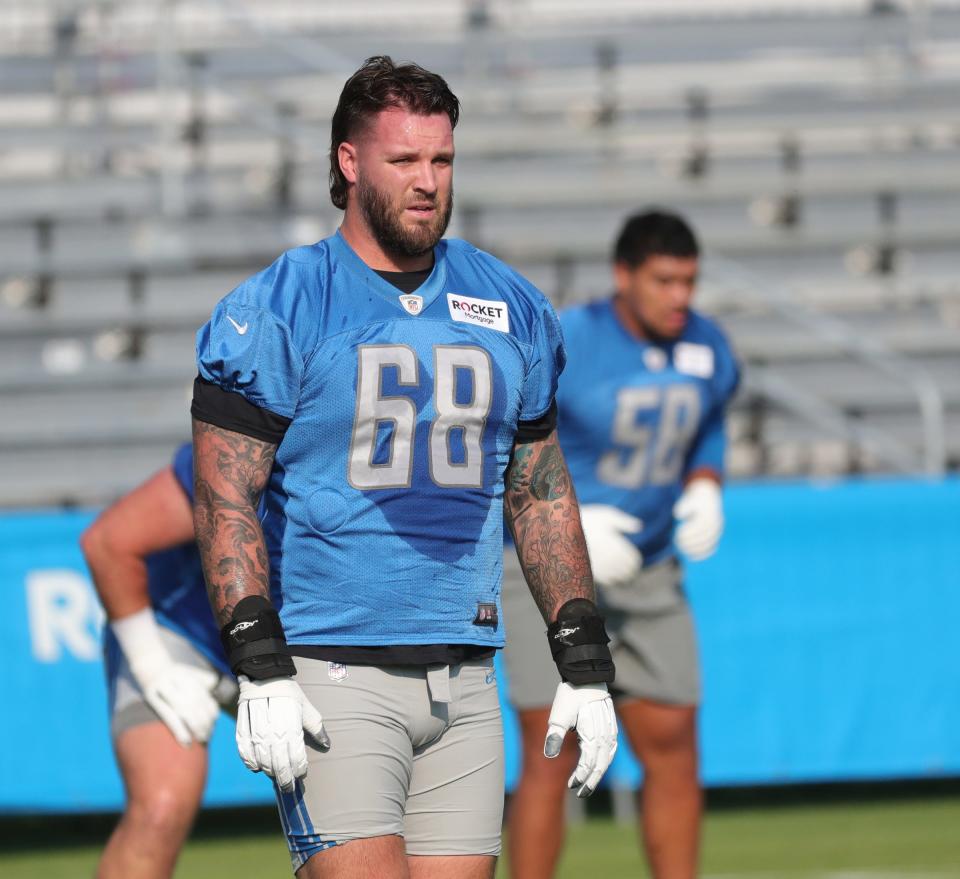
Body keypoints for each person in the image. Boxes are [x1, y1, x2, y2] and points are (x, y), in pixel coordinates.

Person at [189, 56, 618, 879]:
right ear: (349, 162)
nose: (427, 182)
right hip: (333, 668)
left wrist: (583, 656)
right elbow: (222, 494)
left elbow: (538, 489)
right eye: (404, 161)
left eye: (442, 160)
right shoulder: (282, 304)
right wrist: (258, 657)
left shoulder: (511, 303)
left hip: (464, 676)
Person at [502, 209, 740, 879]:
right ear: (624, 275)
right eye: (664, 280)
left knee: (672, 739)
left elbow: (709, 423)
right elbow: (501, 443)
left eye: (688, 281)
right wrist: (573, 525)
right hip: (551, 568)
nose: (679, 298)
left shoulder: (706, 345)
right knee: (553, 746)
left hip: (650, 568)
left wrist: (705, 481)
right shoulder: (569, 340)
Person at [81, 443, 239, 879]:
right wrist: (153, 667)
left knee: (370, 816)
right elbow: (108, 542)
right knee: (160, 807)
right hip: (183, 634)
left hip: (301, 650)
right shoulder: (240, 444)